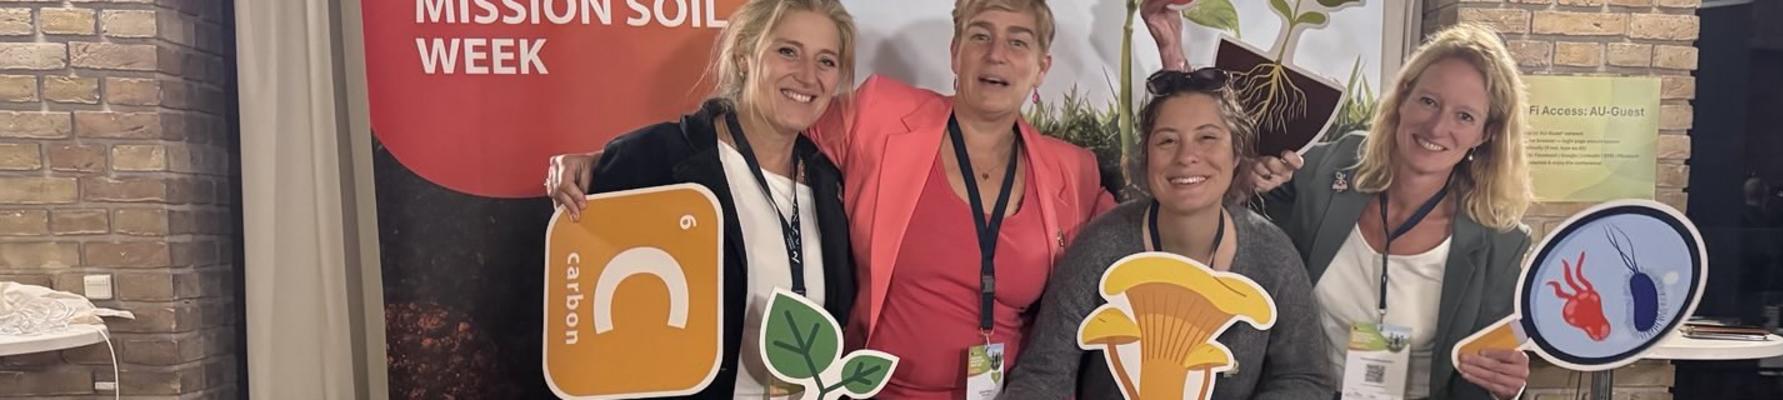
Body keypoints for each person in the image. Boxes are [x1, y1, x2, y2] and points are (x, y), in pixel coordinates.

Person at [548, 1, 1118, 397]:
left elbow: (1137, 238)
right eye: (980, 36)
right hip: (871, 390)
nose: (996, 55)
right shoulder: (877, 117)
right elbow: (763, 126)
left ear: (1041, 67)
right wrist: (605, 162)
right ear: (954, 53)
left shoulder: (1072, 171)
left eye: (1018, 42)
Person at [543, 1, 860, 397]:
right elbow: (585, 327)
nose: (808, 76)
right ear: (744, 55)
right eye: (788, 51)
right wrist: (593, 167)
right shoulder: (655, 159)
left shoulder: (828, 182)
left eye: (826, 61)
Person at [1000, 67, 1335, 399]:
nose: (1187, 156)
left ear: (1236, 154)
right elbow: (1044, 375)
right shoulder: (1102, 245)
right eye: (1167, 140)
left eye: (1207, 138)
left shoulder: (1271, 254)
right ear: (1147, 158)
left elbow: (1305, 378)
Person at [1248, 24, 1534, 399]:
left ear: (1486, 133)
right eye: (1428, 101)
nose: (1437, 127)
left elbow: (1479, 377)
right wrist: (1255, 175)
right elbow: (1250, 217)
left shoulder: (1499, 241)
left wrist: (1503, 387)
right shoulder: (1332, 168)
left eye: (1464, 116)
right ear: (1403, 98)